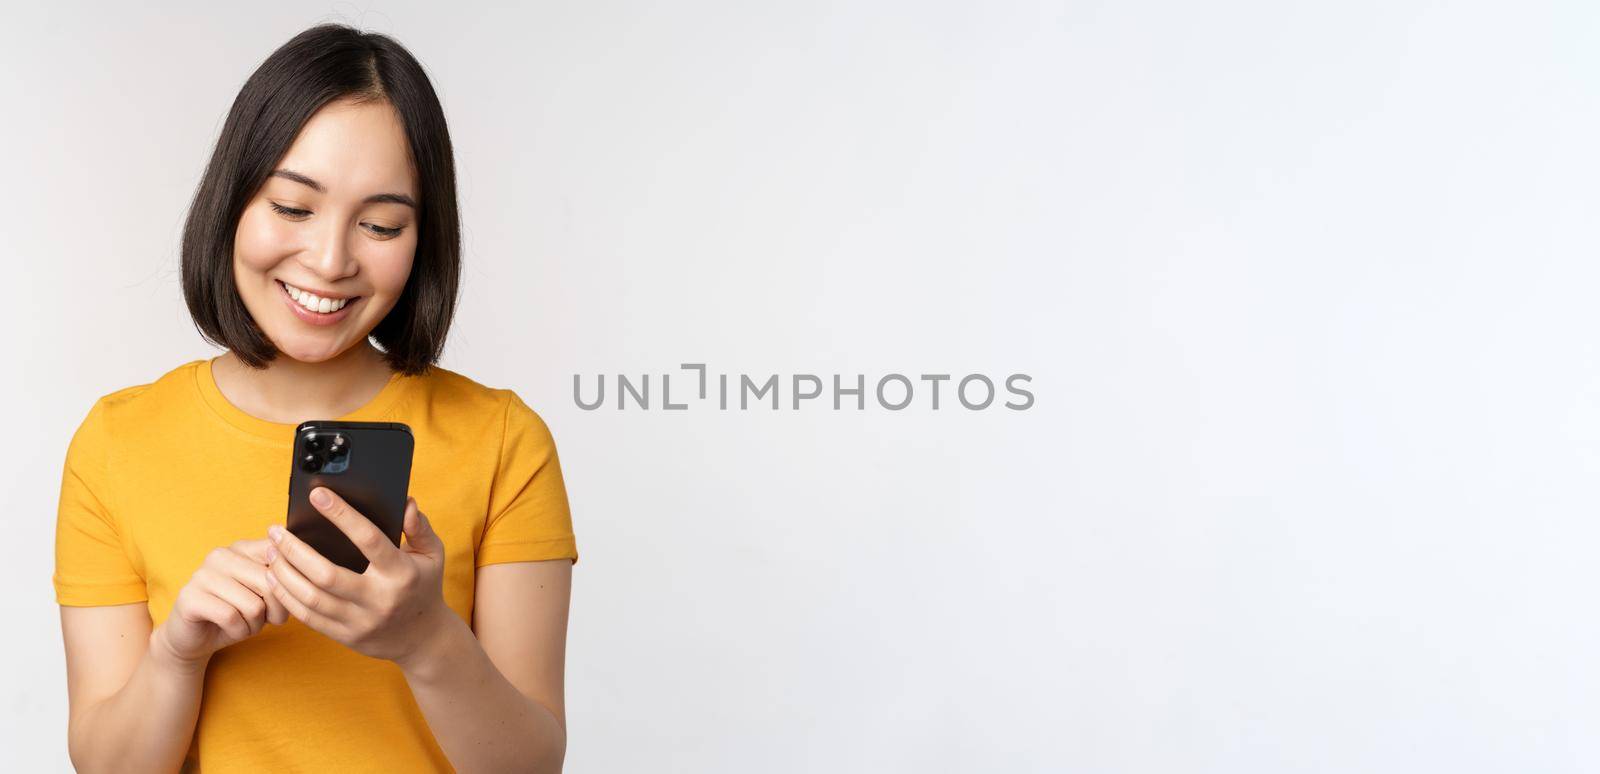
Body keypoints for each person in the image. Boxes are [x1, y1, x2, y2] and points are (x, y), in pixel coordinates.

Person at [52, 23, 576, 773]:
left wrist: (427, 640)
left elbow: (531, 766)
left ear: (424, 239)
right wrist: (176, 654)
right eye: (294, 208)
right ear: (232, 203)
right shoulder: (117, 442)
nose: (330, 261)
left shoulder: (503, 440)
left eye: (382, 224)